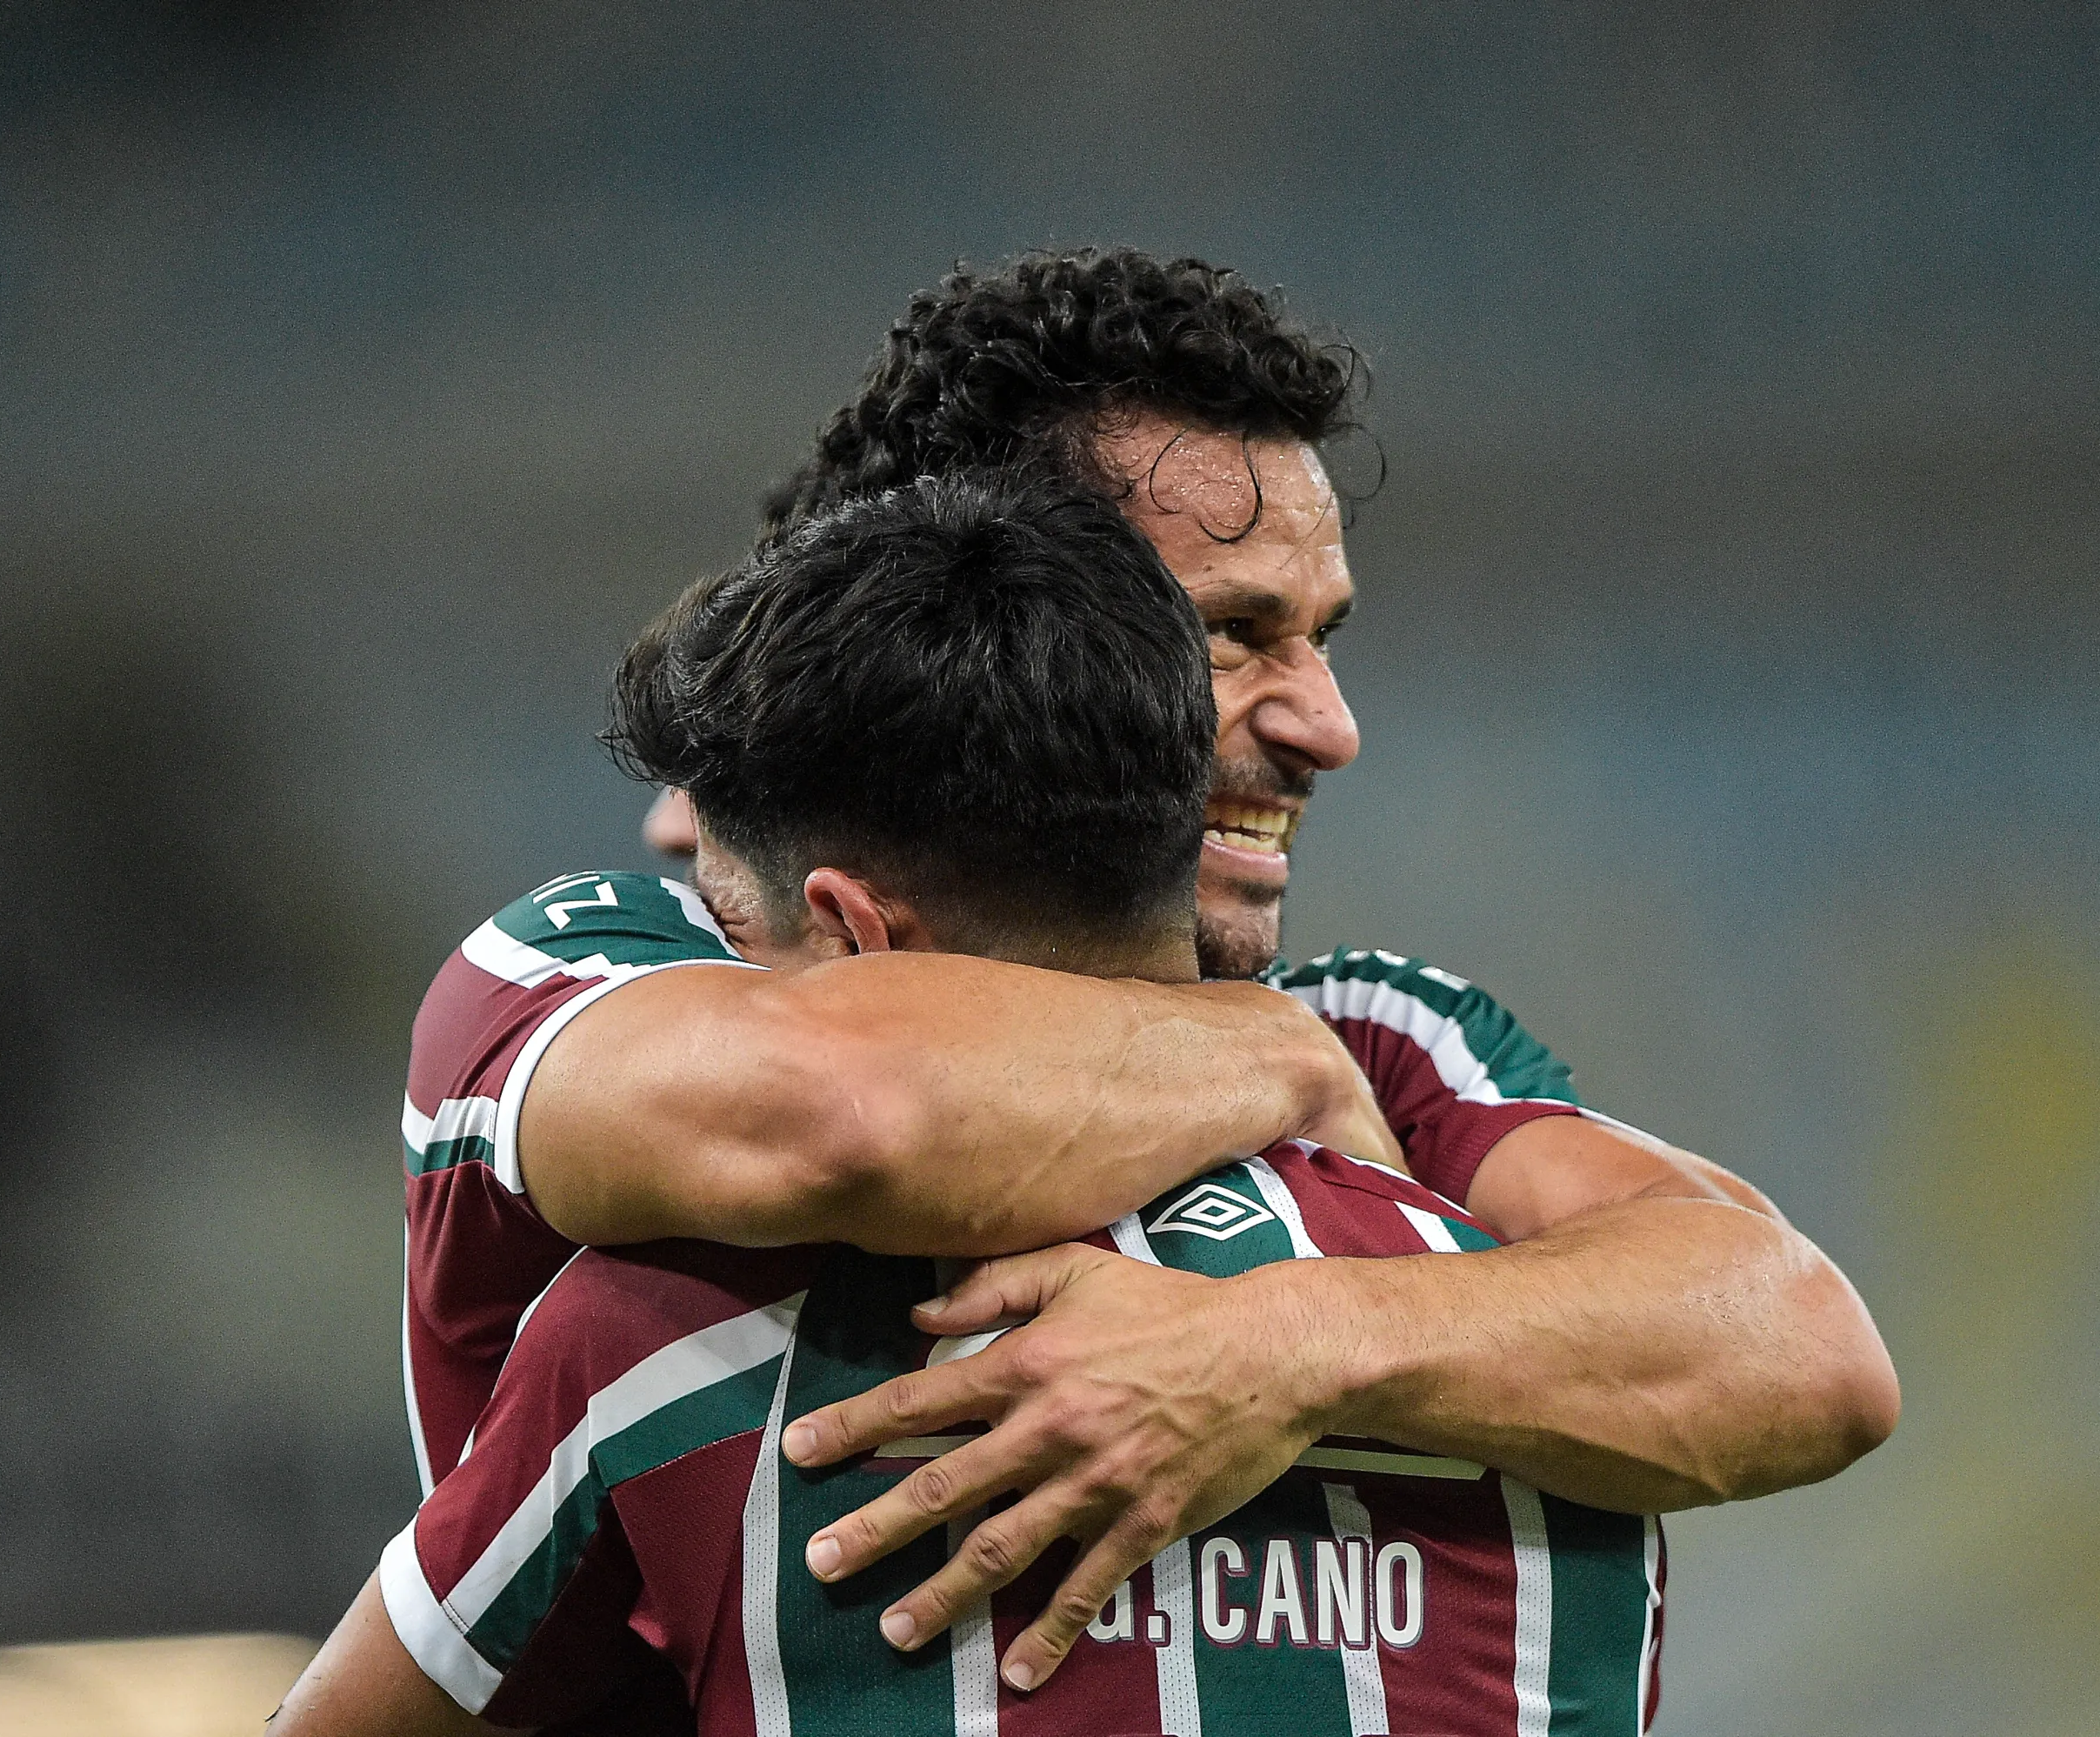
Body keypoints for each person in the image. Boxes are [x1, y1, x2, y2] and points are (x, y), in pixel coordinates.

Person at [397, 250, 1895, 1696]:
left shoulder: (1379, 1031)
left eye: (1322, 637)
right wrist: (1269, 1065)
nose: (1327, 724)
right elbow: (842, 1108)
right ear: (1009, 617)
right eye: (1237, 635)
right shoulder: (590, 968)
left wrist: (1280, 1344)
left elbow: (1800, 1349)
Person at [279, 471, 1674, 1737]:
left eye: (742, 942)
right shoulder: (1551, 1376)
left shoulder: (665, 1337)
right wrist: (1280, 1060)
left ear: (847, 932)